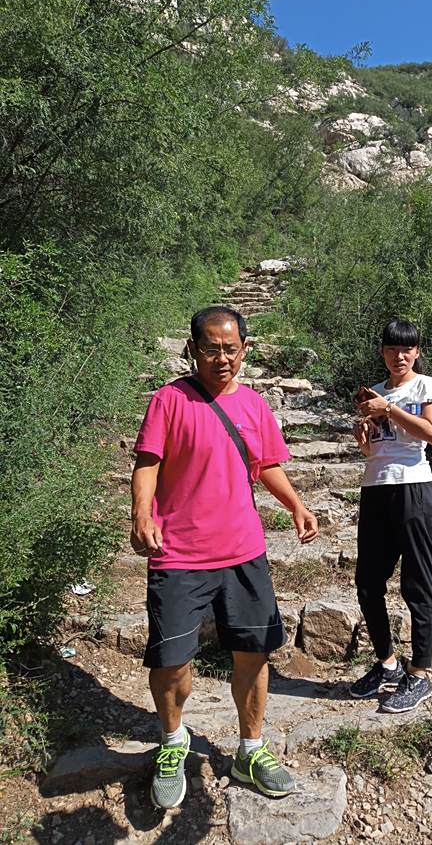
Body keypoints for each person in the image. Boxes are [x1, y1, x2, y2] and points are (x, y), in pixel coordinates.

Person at [130, 305, 318, 810]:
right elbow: (148, 464)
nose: (221, 358)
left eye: (230, 349)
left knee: (253, 654)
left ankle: (249, 750)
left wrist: (296, 504)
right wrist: (142, 515)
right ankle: (173, 742)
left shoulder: (255, 405)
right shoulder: (169, 400)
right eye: (210, 348)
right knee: (172, 662)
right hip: (178, 554)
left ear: (245, 350)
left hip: (242, 551)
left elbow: (266, 464)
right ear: (192, 349)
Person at [349, 319, 432, 712]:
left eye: (407, 349)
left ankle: (419, 673)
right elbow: (375, 451)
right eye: (391, 349)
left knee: (417, 583)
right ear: (383, 352)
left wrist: (390, 409)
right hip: (376, 487)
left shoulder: (425, 386)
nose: (399, 356)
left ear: (417, 352)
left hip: (413, 488)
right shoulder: (377, 392)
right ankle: (387, 663)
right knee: (368, 583)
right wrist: (365, 440)